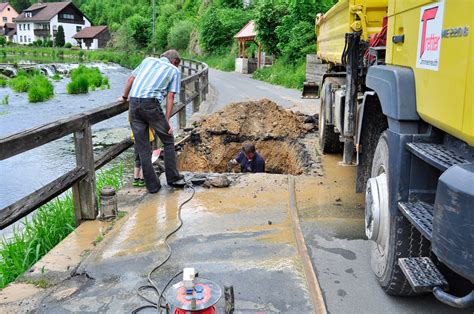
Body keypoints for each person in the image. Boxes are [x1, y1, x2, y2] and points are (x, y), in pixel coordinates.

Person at [121, 49, 185, 193]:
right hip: (150, 104)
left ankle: (153, 186)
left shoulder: (147, 60)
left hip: (133, 104)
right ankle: (173, 178)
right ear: (175, 61)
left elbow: (130, 80)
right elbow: (170, 97)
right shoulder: (173, 70)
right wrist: (167, 121)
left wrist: (124, 97)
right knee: (168, 140)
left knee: (143, 148)